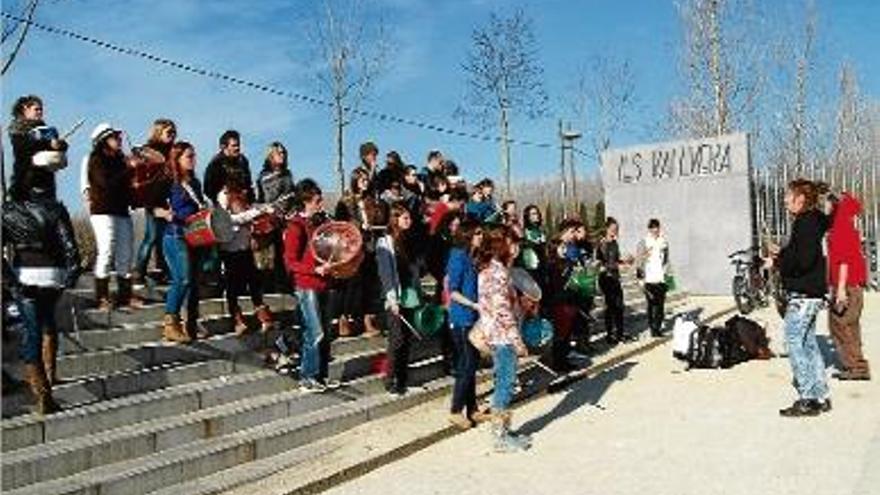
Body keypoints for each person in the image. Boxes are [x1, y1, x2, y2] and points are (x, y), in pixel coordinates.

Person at [2, 161, 81, 415]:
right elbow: (71, 249)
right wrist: (70, 276)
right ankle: (51, 375)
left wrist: (11, 279)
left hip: (25, 273)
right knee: (48, 323)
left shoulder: (7, 210)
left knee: (31, 330)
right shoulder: (56, 209)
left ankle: (42, 393)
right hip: (53, 275)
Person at [767, 179, 832, 417]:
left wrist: (779, 260)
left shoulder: (805, 223)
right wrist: (783, 254)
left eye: (788, 196)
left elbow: (803, 260)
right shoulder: (813, 221)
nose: (784, 200)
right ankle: (820, 395)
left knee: (793, 341)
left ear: (800, 199)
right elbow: (805, 254)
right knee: (809, 343)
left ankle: (807, 398)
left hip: (804, 294)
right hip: (812, 293)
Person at [476, 225, 531, 453]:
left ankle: (504, 431)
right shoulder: (496, 272)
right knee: (505, 386)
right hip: (502, 336)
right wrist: (517, 340)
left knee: (503, 382)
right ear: (501, 245)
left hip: (496, 334)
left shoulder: (494, 268)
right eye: (511, 242)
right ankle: (500, 437)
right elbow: (502, 311)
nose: (515, 246)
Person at [283, 179, 335, 392]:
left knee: (325, 333)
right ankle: (307, 376)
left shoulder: (319, 223)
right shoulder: (296, 226)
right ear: (305, 201)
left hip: (323, 283)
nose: (321, 204)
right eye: (317, 200)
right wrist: (314, 270)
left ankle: (321, 376)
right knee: (315, 332)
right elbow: (290, 261)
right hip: (307, 285)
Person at [83, 123, 140, 311]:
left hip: (122, 210)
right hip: (102, 211)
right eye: (115, 137)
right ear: (104, 140)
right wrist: (129, 169)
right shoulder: (96, 159)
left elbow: (126, 185)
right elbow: (105, 183)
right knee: (106, 250)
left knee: (126, 253)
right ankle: (101, 296)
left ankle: (125, 295)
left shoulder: (121, 159)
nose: (119, 140)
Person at [157, 142, 209, 343]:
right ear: (177, 158)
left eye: (194, 155)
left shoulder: (195, 183)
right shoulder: (168, 181)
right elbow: (151, 205)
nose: (193, 159)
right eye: (189, 156)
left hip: (193, 236)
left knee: (193, 283)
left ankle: (190, 325)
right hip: (174, 235)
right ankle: (170, 324)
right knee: (182, 278)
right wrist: (163, 213)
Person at [217, 177, 275, 337]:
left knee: (254, 280)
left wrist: (263, 211)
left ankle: (262, 313)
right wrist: (253, 213)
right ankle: (236, 318)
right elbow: (227, 219)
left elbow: (251, 212)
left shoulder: (245, 194)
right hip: (230, 246)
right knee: (232, 284)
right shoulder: (224, 195)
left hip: (244, 244)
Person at [334, 167, 387, 337]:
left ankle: (367, 319)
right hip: (352, 249)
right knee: (350, 284)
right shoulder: (346, 201)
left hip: (370, 247)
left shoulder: (372, 201)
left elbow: (380, 220)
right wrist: (357, 227)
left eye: (367, 179)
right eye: (362, 179)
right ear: (355, 180)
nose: (365, 182)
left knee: (369, 284)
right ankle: (344, 318)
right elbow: (340, 225)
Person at [376, 204, 420, 396]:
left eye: (409, 218)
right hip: (395, 295)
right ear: (395, 219)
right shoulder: (384, 242)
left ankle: (402, 378)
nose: (409, 221)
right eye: (405, 218)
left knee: (407, 339)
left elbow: (415, 270)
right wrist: (392, 299)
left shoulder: (410, 241)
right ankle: (390, 378)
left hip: (410, 294)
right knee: (397, 338)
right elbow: (386, 273)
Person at [446, 218, 486, 429]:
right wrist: (473, 305)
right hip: (461, 319)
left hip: (473, 318)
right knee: (466, 365)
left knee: (472, 365)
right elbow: (452, 291)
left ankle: (472, 409)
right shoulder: (458, 257)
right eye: (478, 233)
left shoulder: (472, 258)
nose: (481, 236)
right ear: (468, 235)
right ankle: (455, 410)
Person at [826, 191, 870, 381]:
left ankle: (856, 367)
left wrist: (841, 288)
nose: (825, 208)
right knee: (850, 325)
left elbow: (843, 260)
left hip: (847, 285)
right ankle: (856, 365)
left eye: (827, 204)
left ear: (834, 206)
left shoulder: (840, 226)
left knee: (840, 325)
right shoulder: (847, 224)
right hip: (853, 285)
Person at [133, 118, 177, 284]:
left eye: (174, 132)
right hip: (152, 198)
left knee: (164, 237)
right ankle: (139, 271)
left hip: (166, 198)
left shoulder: (172, 151)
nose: (172, 135)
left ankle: (164, 270)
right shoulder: (151, 150)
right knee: (151, 236)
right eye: (168, 132)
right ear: (159, 132)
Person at [8, 95, 68, 201]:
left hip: (46, 184)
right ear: (25, 108)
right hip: (25, 184)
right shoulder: (17, 129)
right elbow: (23, 148)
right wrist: (48, 144)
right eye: (36, 109)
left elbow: (56, 152)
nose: (40, 112)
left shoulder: (47, 130)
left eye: (41, 109)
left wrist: (60, 145)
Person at [254, 141, 295, 293]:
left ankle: (285, 284)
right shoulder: (265, 177)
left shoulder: (288, 174)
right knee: (269, 255)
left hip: (287, 220)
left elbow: (292, 196)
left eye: (284, 152)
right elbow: (265, 197)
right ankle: (269, 287)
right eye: (279, 152)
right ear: (271, 156)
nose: (282, 155)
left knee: (285, 252)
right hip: (270, 219)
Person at [596, 217, 628, 345]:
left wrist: (624, 261)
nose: (615, 231)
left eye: (617, 228)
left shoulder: (615, 243)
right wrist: (616, 265)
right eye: (613, 228)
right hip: (606, 278)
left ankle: (620, 333)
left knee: (620, 306)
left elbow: (616, 260)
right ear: (607, 229)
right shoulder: (602, 244)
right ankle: (610, 335)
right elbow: (601, 263)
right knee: (610, 306)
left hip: (615, 277)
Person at [637, 219, 670, 337]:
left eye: (657, 228)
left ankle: (658, 327)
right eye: (653, 228)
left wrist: (668, 278)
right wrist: (640, 279)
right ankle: (653, 328)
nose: (656, 230)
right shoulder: (644, 242)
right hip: (649, 279)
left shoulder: (663, 242)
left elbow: (666, 260)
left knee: (660, 305)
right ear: (650, 229)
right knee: (652, 304)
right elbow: (639, 261)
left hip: (660, 278)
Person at [203, 129, 253, 205]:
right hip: (225, 204)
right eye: (233, 146)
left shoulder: (243, 161)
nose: (237, 148)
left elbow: (248, 184)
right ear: (224, 147)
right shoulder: (215, 164)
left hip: (244, 201)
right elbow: (208, 190)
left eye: (238, 145)